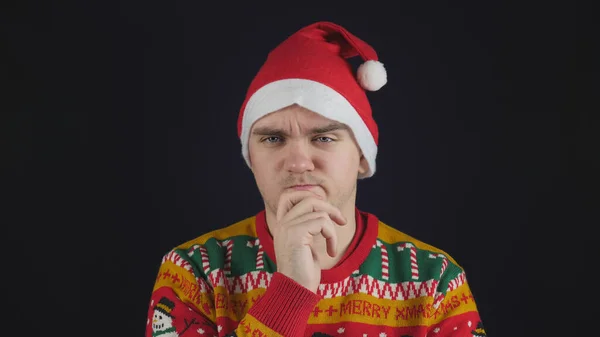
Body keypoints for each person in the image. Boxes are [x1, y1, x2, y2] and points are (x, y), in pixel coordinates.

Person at [145, 21, 487, 337]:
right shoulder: (193, 272)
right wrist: (290, 291)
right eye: (273, 139)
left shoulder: (435, 280)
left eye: (324, 138)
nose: (297, 162)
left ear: (363, 156)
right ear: (251, 158)